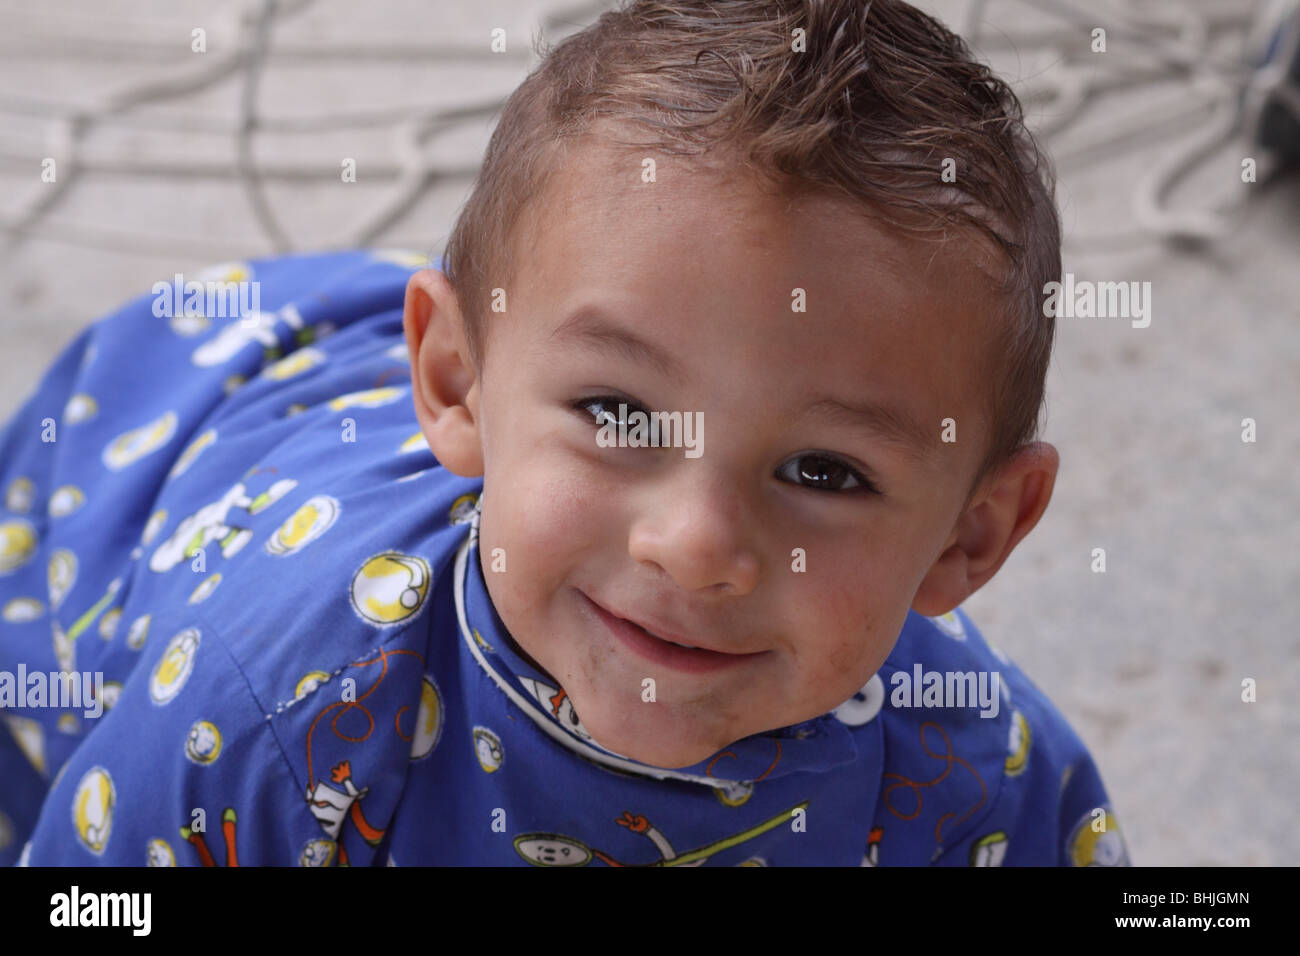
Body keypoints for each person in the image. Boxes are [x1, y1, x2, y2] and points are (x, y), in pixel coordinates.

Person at [0, 0, 1129, 866]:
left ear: (970, 538)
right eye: (619, 414)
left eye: (823, 470)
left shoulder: (977, 775)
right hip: (145, 455)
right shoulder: (269, 713)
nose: (694, 545)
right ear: (452, 382)